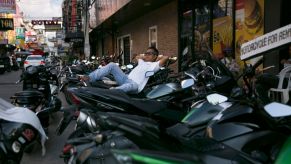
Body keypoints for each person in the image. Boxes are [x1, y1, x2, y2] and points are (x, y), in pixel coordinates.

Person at [80, 46, 169, 93]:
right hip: (126, 78)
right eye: (146, 53)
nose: (146, 55)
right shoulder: (142, 61)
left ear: (155, 56)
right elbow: (137, 56)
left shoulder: (154, 65)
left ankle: (110, 92)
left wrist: (157, 57)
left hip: (135, 85)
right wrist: (144, 55)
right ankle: (89, 78)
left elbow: (166, 57)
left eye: (149, 53)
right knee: (112, 65)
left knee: (128, 86)